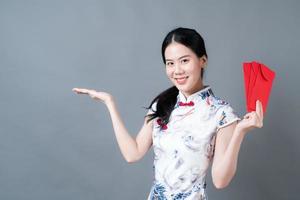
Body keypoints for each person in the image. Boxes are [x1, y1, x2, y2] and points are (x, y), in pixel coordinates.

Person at [72, 27, 264, 200]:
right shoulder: (162, 104)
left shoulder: (222, 113)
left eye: (185, 61)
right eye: (170, 63)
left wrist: (240, 132)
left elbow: (221, 181)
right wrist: (110, 103)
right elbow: (133, 153)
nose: (177, 70)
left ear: (202, 60)